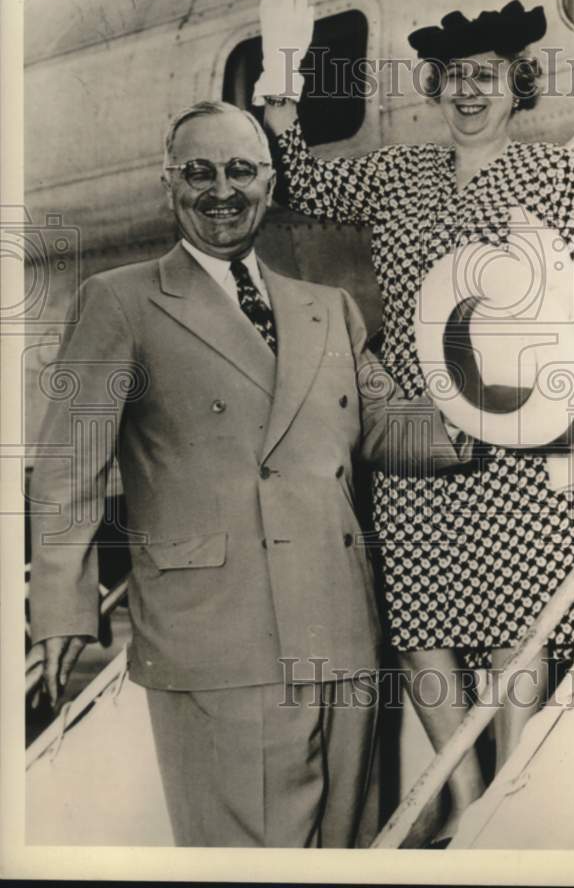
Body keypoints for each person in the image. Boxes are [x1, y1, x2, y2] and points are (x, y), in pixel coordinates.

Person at [256, 0, 574, 840]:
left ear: (517, 87)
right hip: (415, 432)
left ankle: (506, 794)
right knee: (421, 614)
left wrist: (546, 308)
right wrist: (282, 78)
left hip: (518, 430)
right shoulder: (401, 176)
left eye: (486, 75)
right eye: (451, 78)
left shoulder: (556, 173)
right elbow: (300, 185)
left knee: (521, 611)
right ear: (432, 93)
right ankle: (462, 792)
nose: (467, 90)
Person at [28, 100, 471, 849]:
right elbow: (68, 468)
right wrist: (63, 610)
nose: (220, 190)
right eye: (197, 172)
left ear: (269, 184)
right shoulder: (121, 300)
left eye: (240, 170)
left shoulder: (325, 308)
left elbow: (383, 426)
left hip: (340, 634)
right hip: (220, 641)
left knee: (345, 852)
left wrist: (495, 413)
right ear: (168, 185)